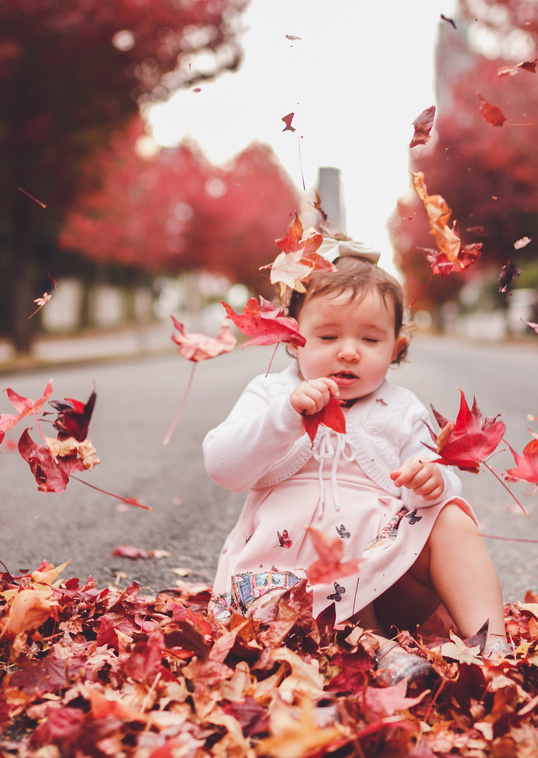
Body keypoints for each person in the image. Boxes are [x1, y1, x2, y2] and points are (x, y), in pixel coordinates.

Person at [202, 241, 508, 679]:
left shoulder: (402, 408)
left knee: (452, 517)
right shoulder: (271, 394)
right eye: (328, 337)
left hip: (385, 576)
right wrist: (285, 417)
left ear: (396, 347)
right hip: (288, 581)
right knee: (299, 606)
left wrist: (428, 481)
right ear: (293, 338)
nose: (349, 351)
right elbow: (222, 466)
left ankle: (493, 645)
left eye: (370, 339)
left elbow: (430, 484)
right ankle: (377, 650)